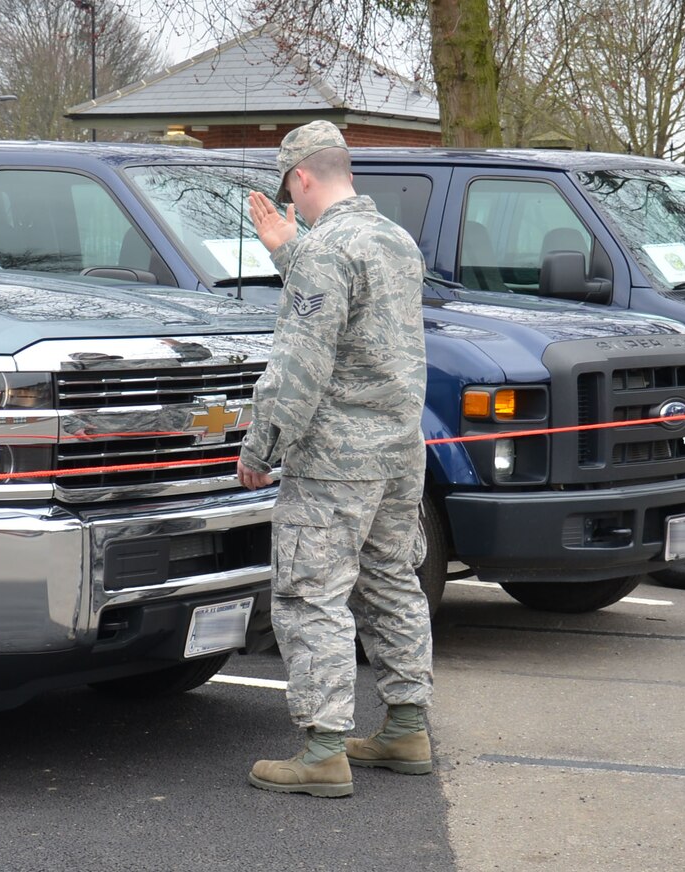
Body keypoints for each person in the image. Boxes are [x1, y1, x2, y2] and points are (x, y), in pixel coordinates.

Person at [234, 120, 433, 798]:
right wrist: (291, 253)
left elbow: (300, 363)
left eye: (290, 187)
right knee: (391, 582)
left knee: (309, 594)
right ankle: (406, 725)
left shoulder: (327, 252)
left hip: (336, 463)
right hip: (400, 453)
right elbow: (360, 318)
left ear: (301, 178)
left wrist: (261, 447)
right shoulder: (395, 241)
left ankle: (322, 749)